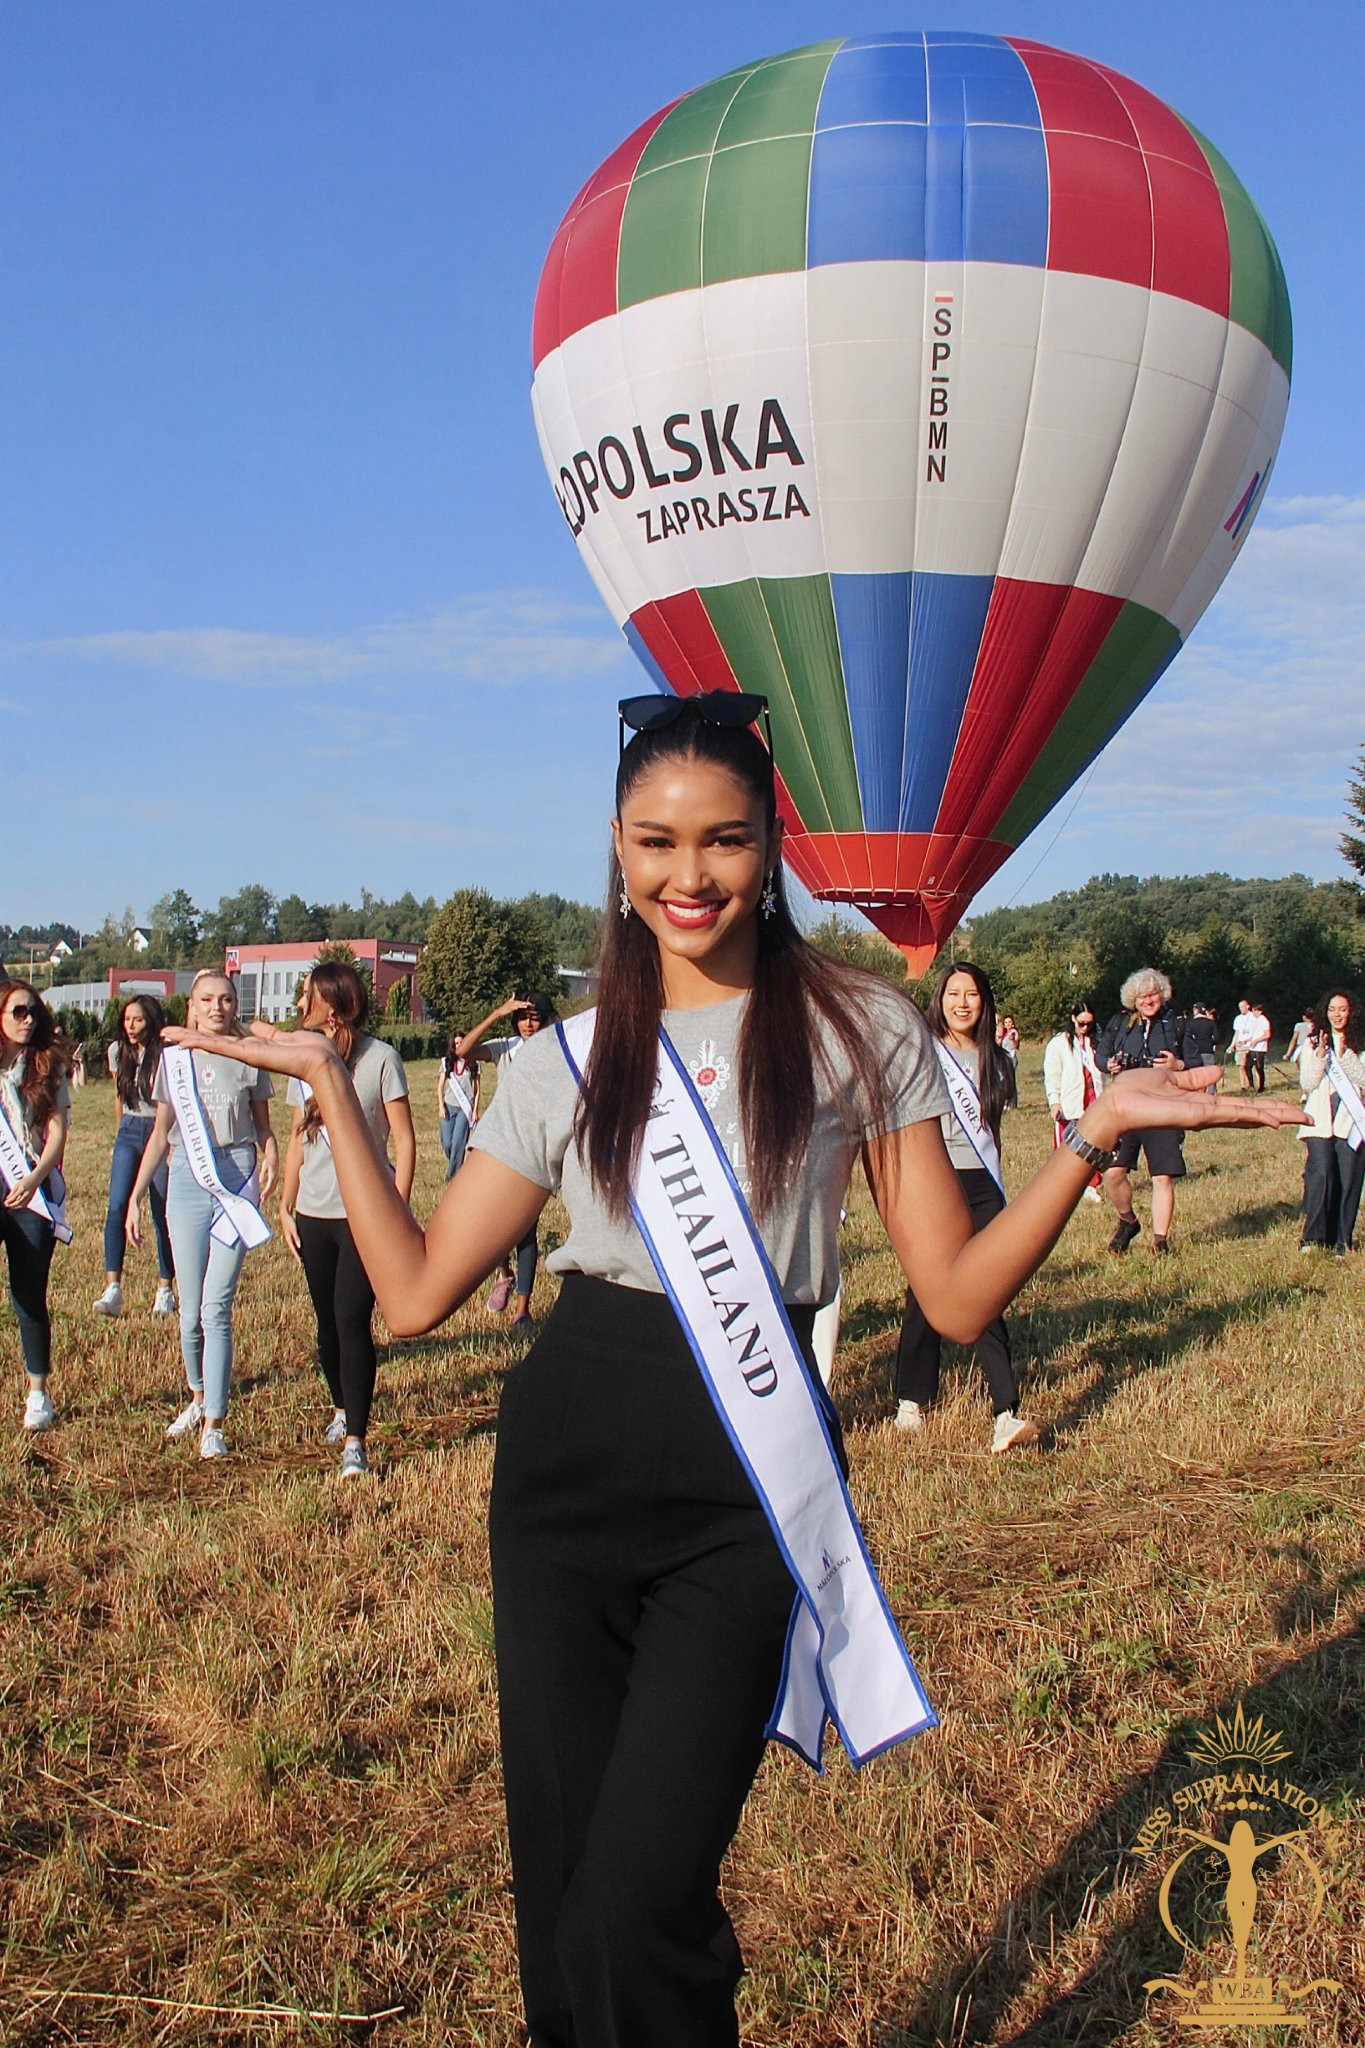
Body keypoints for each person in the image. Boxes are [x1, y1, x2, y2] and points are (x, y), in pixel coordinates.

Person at [158, 692, 1302, 2048]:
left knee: (643, 1903)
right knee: (562, 1905)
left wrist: (1091, 1135)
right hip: (565, 1466)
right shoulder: (556, 1064)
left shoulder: (862, 1031)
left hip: (741, 1492)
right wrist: (330, 1087)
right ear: (615, 846)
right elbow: (408, 1299)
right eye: (654, 843)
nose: (686, 876)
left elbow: (952, 1289)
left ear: (773, 848)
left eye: (724, 843)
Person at [127, 970, 277, 1458]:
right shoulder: (173, 1062)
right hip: (187, 1180)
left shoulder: (250, 1060)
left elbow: (263, 1127)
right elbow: (160, 1134)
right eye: (208, 999)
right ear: (191, 1006)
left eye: (227, 1000)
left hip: (234, 1177)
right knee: (189, 1313)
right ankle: (195, 1396)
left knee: (217, 1307)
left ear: (237, 1006)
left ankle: (215, 1420)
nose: (218, 1007)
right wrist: (134, 1195)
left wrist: (270, 1154)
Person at [279, 963, 415, 1477]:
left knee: (350, 1320)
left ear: (331, 1007)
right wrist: (286, 1206)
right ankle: (340, 1407)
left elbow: (403, 1141)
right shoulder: (306, 1059)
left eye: (306, 998)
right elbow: (297, 1138)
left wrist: (395, 1210)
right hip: (313, 1214)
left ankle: (355, 1440)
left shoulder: (382, 1059)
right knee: (325, 1326)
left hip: (365, 1218)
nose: (298, 1007)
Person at [895, 964, 1037, 1450]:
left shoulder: (999, 1061)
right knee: (925, 1292)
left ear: (984, 1002)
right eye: (953, 993)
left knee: (987, 1291)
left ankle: (1006, 1410)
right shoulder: (924, 1053)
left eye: (972, 994)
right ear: (940, 999)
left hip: (983, 1186)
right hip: (937, 1182)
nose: (962, 1003)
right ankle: (912, 1398)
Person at [456, 990, 558, 1329]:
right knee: (492, 1224)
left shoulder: (553, 1050)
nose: (529, 1023)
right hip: (499, 1148)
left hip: (534, 1150)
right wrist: (497, 1013)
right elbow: (463, 1051)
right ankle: (504, 1273)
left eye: (535, 1016)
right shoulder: (504, 1048)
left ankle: (522, 1311)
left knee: (526, 1232)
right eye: (523, 1016)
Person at [0, 981, 71, 1430]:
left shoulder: (49, 1066)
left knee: (28, 1294)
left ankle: (38, 1394)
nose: (27, 1020)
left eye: (33, 1013)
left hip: (30, 1188)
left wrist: (34, 1178)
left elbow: (58, 1131)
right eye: (18, 1012)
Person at [93, 996, 177, 1319]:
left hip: (159, 1130)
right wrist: (120, 1133)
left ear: (151, 1021)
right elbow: (119, 1096)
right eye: (127, 1019)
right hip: (129, 1129)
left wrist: (169, 1142)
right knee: (117, 1205)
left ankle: (165, 1289)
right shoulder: (118, 1052)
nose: (130, 1026)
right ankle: (113, 1287)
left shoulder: (166, 1055)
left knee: (161, 1213)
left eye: (138, 1020)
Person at [1097, 968, 1188, 1255]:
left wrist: (1177, 1065)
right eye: (1142, 996)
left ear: (1163, 995)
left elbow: (1197, 1062)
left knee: (1161, 1176)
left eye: (1153, 994)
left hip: (1164, 1107)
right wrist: (1108, 1064)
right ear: (1132, 999)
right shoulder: (1121, 1023)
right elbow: (1101, 1054)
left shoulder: (1176, 1023)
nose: (1148, 1000)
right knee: (1112, 1173)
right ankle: (1128, 1220)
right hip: (1126, 1107)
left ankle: (1160, 1241)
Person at [1297, 991, 1365, 1256]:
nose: (1337, 1014)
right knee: (1321, 1174)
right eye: (1332, 1009)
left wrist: (1346, 1056)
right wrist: (1321, 1056)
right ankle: (1313, 1238)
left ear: (1352, 1012)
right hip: (1320, 1119)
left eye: (1343, 1009)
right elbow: (1308, 1083)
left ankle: (1341, 1241)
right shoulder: (1313, 1042)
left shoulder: (1361, 1043)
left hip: (1352, 1122)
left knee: (1349, 1180)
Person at [1042, 996, 1105, 1204]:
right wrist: (1055, 1102)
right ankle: (1064, 1186)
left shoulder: (1095, 1043)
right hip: (1070, 1104)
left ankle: (1092, 1184)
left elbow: (1100, 1073)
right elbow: (1052, 1075)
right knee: (1068, 1148)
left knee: (1094, 1145)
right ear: (1072, 1019)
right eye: (1081, 1023)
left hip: (1093, 1101)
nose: (1085, 1027)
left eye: (1089, 1023)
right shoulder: (1059, 1044)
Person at [435, 1032, 480, 1180]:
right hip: (449, 1106)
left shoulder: (474, 1063)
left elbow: (477, 1089)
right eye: (456, 1044)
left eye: (461, 1042)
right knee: (447, 1142)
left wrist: (474, 1110)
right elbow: (440, 1086)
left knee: (457, 1143)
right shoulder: (446, 1062)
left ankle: (452, 1176)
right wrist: (441, 1106)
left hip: (464, 1109)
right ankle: (458, 1165)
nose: (459, 1046)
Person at [1229, 998, 1257, 1091]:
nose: (1241, 1009)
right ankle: (1243, 1086)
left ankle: (1255, 1084)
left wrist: (1249, 1040)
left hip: (1251, 1044)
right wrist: (1232, 1045)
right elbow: (1236, 1033)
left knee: (1253, 1066)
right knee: (1241, 1065)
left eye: (1242, 1007)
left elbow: (1256, 1032)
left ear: (1247, 1006)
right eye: (1239, 1007)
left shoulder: (1253, 1017)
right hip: (1240, 1045)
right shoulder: (1238, 1019)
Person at [1246, 1003, 1272, 1094]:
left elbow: (1267, 1034)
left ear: (1259, 1011)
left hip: (1259, 1048)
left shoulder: (1264, 1020)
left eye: (1254, 1011)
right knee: (1247, 1066)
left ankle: (1261, 1086)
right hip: (1253, 1048)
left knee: (1259, 1067)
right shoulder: (1255, 1020)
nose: (1253, 1013)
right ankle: (1251, 1085)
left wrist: (1256, 1041)